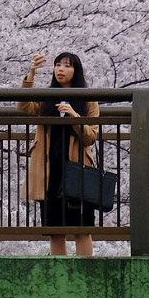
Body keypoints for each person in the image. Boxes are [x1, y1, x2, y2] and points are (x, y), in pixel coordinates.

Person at [17, 52, 100, 256]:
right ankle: (60, 276)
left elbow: (90, 137)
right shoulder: (47, 98)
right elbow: (24, 106)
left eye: (67, 66)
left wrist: (74, 116)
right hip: (49, 169)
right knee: (55, 231)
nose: (61, 69)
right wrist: (31, 74)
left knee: (82, 230)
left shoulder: (88, 100)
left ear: (76, 70)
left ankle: (85, 275)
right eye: (58, 65)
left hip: (77, 170)